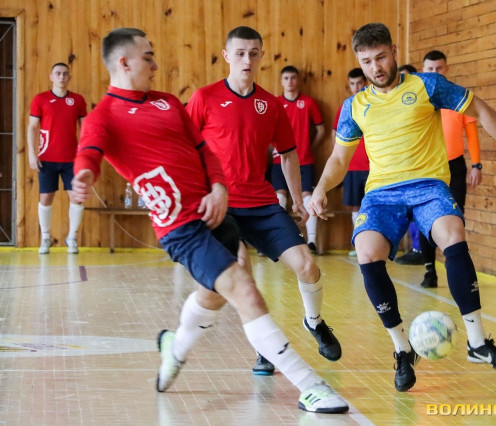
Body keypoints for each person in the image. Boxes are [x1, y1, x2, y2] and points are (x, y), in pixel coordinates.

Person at [71, 27, 348, 414]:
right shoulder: (104, 116)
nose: (155, 64)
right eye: (147, 58)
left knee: (214, 295)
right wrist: (83, 175)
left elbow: (204, 150)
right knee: (245, 289)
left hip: (216, 209)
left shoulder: (168, 102)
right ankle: (310, 386)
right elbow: (89, 153)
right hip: (180, 226)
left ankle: (175, 348)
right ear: (124, 63)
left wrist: (218, 188)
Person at [307, 23, 496, 392]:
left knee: (453, 235)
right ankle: (402, 349)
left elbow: (480, 109)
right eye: (367, 62)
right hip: (382, 194)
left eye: (381, 57)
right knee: (367, 252)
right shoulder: (355, 106)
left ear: (394, 51)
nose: (376, 67)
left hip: (428, 187)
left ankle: (478, 342)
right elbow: (338, 159)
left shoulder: (427, 85)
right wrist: (319, 189)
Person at [185, 26, 341, 377]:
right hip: (223, 206)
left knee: (307, 265)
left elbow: (288, 154)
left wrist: (298, 201)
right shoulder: (204, 98)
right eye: (240, 53)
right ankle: (265, 350)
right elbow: (186, 149)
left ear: (261, 57)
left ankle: (314, 321)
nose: (247, 60)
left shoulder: (270, 104)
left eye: (253, 53)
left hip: (261, 202)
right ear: (226, 56)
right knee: (243, 276)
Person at [418, 49, 483, 288]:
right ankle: (429, 270)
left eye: (439, 68)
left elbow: (471, 132)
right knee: (425, 217)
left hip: (454, 166)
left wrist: (476, 164)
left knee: (455, 217)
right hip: (426, 167)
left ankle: (455, 268)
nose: (435, 72)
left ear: (447, 69)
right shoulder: (417, 99)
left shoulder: (458, 96)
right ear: (423, 70)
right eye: (430, 69)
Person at [27, 63, 87, 254]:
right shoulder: (40, 99)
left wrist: (86, 154)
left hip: (72, 159)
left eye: (65, 74)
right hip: (47, 158)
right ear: (51, 76)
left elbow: (85, 128)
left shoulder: (77, 100)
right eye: (58, 73)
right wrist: (31, 154)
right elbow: (32, 127)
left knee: (76, 198)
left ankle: (72, 238)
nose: (61, 77)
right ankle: (45, 238)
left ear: (69, 77)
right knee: (46, 198)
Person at [272, 65, 325, 253]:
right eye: (286, 78)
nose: (290, 81)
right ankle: (277, 240)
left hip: (304, 160)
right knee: (279, 197)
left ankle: (312, 241)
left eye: (293, 78)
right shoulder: (276, 103)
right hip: (279, 161)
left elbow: (321, 130)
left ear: (299, 80)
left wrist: (310, 147)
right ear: (281, 81)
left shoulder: (309, 102)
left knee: (308, 198)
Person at [332, 68, 368, 257]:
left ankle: (374, 246)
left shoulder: (374, 103)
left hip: (373, 166)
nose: (356, 87)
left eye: (359, 83)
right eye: (352, 84)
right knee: (356, 206)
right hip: (352, 166)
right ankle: (359, 245)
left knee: (372, 205)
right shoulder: (346, 106)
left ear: (366, 82)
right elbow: (335, 133)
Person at [394, 64, 424, 265]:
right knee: (408, 212)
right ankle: (415, 248)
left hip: (420, 168)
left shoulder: (421, 103)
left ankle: (420, 250)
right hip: (399, 169)